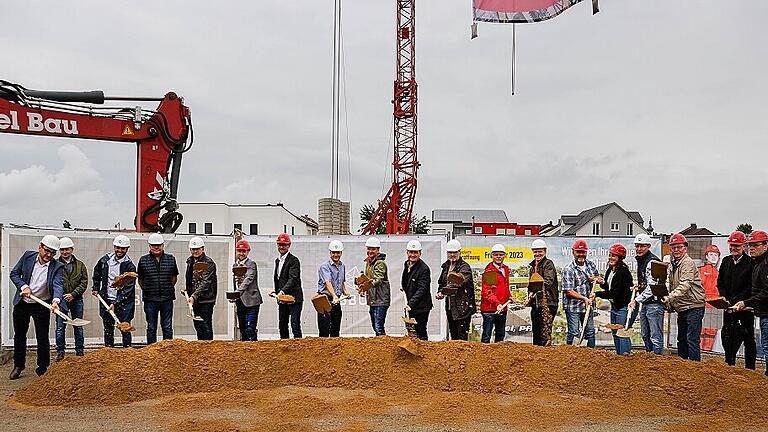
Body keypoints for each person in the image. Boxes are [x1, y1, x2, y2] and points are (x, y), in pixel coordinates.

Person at [9, 235, 65, 379]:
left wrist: (56, 301)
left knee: (42, 337)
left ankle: (42, 367)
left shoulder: (57, 266)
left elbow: (58, 284)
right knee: (20, 335)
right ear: (40, 247)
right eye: (47, 251)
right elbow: (14, 274)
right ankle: (19, 365)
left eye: (53, 253)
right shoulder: (28, 256)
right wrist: (24, 286)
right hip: (22, 303)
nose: (49, 255)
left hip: (42, 304)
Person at [717, 231, 755, 369]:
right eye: (731, 245)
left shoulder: (751, 263)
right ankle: (729, 364)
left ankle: (750, 368)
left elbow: (751, 286)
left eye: (737, 246)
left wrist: (737, 300)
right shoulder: (726, 261)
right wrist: (725, 298)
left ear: (744, 246)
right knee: (727, 336)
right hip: (728, 307)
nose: (733, 248)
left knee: (748, 338)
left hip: (745, 308)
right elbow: (720, 281)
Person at [732, 230, 768, 375]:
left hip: (767, 313)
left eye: (755, 245)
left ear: (765, 245)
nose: (751, 248)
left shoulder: (765, 264)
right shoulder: (758, 263)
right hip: (763, 311)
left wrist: (746, 303)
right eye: (750, 245)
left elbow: (766, 291)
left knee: (766, 346)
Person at [664, 233, 705, 361]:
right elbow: (670, 283)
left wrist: (669, 297)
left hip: (694, 305)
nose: (676, 250)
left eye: (679, 247)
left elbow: (685, 284)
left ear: (685, 248)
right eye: (673, 247)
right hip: (682, 306)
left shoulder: (687, 263)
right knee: (681, 339)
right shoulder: (673, 264)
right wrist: (668, 301)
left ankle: (694, 368)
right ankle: (683, 368)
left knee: (691, 339)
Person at [92, 234, 136, 348]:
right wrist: (96, 288)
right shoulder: (105, 261)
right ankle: (109, 351)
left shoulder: (130, 267)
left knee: (125, 328)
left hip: (124, 303)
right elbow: (97, 274)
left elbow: (128, 289)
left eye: (123, 248)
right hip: (106, 299)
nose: (120, 250)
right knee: (108, 328)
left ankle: (127, 352)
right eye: (117, 247)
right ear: (114, 247)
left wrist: (115, 303)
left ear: (127, 249)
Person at [137, 233, 179, 344]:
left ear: (163, 245)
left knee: (167, 326)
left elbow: (174, 278)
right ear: (149, 246)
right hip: (150, 300)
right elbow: (140, 279)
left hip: (167, 299)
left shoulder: (171, 259)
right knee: (151, 327)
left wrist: (167, 288)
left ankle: (168, 350)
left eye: (159, 245)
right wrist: (147, 290)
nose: (156, 247)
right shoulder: (143, 260)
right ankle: (152, 351)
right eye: (154, 245)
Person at [596, 244, 633, 355]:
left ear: (620, 258)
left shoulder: (623, 272)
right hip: (615, 306)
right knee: (615, 332)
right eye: (610, 255)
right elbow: (608, 287)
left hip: (622, 306)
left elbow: (614, 293)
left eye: (614, 256)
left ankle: (625, 357)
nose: (611, 258)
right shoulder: (610, 270)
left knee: (622, 333)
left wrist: (596, 293)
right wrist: (602, 283)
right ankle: (619, 355)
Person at [630, 233, 664, 355]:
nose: (639, 249)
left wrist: (636, 300)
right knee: (645, 335)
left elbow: (652, 287)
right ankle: (649, 358)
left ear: (648, 246)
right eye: (637, 246)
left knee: (655, 336)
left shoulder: (652, 262)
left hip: (654, 304)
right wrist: (639, 287)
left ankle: (657, 361)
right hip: (646, 304)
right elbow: (647, 282)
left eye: (642, 246)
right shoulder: (642, 260)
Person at [54, 237, 88, 360]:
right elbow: (53, 282)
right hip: (61, 301)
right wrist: (61, 296)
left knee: (78, 326)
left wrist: (73, 294)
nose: (64, 252)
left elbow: (84, 282)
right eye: (62, 250)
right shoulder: (55, 265)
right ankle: (60, 352)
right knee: (60, 327)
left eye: (67, 249)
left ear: (72, 249)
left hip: (77, 300)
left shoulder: (80, 265)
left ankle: (79, 351)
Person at [562, 239, 599, 348]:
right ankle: (572, 355)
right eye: (578, 252)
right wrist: (584, 298)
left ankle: (591, 355)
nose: (581, 255)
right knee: (574, 332)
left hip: (588, 306)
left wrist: (598, 279)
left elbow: (597, 277)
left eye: (583, 252)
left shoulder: (590, 265)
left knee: (590, 331)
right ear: (573, 252)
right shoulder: (568, 269)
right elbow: (568, 291)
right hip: (573, 307)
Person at [436, 239, 476, 341]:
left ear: (459, 252)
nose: (452, 255)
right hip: (450, 308)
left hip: (463, 308)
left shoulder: (464, 267)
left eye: (454, 252)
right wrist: (440, 291)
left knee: (461, 338)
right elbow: (441, 282)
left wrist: (442, 292)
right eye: (450, 252)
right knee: (453, 336)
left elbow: (457, 281)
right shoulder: (446, 267)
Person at [184, 237, 217, 340]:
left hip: (206, 299)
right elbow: (192, 278)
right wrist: (188, 290)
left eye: (197, 249)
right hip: (195, 300)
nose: (195, 251)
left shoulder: (209, 263)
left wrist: (193, 296)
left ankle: (208, 349)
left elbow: (206, 282)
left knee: (206, 325)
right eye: (193, 249)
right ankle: (201, 349)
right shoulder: (190, 261)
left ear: (203, 249)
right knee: (198, 326)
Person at [528, 239, 558, 346]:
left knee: (545, 331)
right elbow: (531, 284)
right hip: (536, 304)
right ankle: (537, 355)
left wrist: (535, 291)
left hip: (548, 303)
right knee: (536, 331)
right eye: (535, 251)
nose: (537, 254)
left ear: (545, 251)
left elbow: (548, 282)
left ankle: (545, 355)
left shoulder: (548, 264)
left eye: (540, 251)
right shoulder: (532, 267)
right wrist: (530, 295)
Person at [401, 239, 432, 340]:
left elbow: (422, 289)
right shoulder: (407, 265)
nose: (413, 255)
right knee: (412, 332)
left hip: (421, 307)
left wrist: (411, 303)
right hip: (411, 305)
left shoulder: (424, 269)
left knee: (420, 331)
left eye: (415, 252)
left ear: (420, 253)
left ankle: (424, 353)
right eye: (411, 252)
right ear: (407, 253)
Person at [317, 240, 349, 337]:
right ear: (330, 253)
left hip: (336, 300)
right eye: (333, 252)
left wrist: (346, 292)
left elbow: (341, 282)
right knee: (324, 329)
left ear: (341, 253)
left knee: (335, 328)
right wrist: (334, 296)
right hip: (324, 299)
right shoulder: (324, 266)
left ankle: (335, 351)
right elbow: (328, 283)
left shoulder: (342, 266)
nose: (336, 255)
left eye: (338, 252)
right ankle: (323, 351)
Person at [480, 244, 510, 344]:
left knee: (500, 335)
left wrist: (510, 296)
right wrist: (497, 303)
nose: (498, 256)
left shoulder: (505, 269)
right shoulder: (490, 271)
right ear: (491, 256)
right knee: (486, 336)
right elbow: (487, 292)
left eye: (501, 254)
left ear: (504, 255)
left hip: (502, 308)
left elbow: (505, 287)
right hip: (490, 309)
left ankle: (499, 359)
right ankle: (483, 358)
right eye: (495, 254)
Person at [274, 233, 303, 339]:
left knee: (295, 324)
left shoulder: (294, 260)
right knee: (282, 324)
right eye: (279, 244)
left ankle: (299, 348)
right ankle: (284, 348)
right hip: (282, 299)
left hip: (294, 298)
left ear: (289, 245)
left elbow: (293, 279)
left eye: (284, 244)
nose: (281, 247)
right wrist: (277, 292)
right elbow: (278, 279)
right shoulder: (278, 261)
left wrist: (282, 291)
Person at [232, 239, 262, 341]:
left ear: (248, 252)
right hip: (240, 301)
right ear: (236, 251)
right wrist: (234, 296)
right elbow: (235, 282)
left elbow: (248, 280)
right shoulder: (235, 265)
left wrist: (236, 293)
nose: (241, 253)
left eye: (244, 251)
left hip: (252, 301)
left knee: (250, 328)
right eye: (239, 251)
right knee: (243, 329)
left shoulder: (251, 264)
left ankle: (254, 349)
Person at [360, 237, 390, 336]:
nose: (370, 251)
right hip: (373, 299)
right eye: (369, 249)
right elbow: (366, 278)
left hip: (381, 300)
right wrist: (362, 286)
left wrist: (366, 286)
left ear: (378, 250)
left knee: (379, 327)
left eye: (373, 249)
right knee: (375, 326)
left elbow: (378, 280)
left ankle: (383, 348)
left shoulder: (380, 263)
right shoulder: (369, 263)